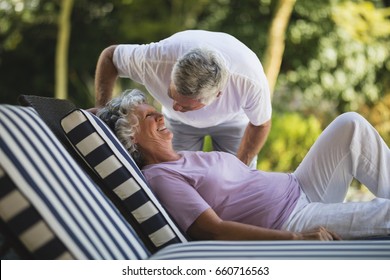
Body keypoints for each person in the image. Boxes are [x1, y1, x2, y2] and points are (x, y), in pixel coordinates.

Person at [97, 89, 390, 241]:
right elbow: (213, 230)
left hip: (300, 186)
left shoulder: (183, 157)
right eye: (149, 116)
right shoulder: (162, 177)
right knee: (384, 213)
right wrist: (295, 238)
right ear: (130, 136)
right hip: (290, 219)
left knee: (349, 125)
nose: (161, 116)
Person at [94, 30, 272, 168]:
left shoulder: (249, 81)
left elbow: (261, 124)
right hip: (177, 125)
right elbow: (109, 57)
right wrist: (102, 112)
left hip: (232, 121)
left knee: (238, 182)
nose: (176, 106)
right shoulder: (154, 60)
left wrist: (239, 169)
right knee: (173, 176)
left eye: (186, 107)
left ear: (218, 95)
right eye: (172, 96)